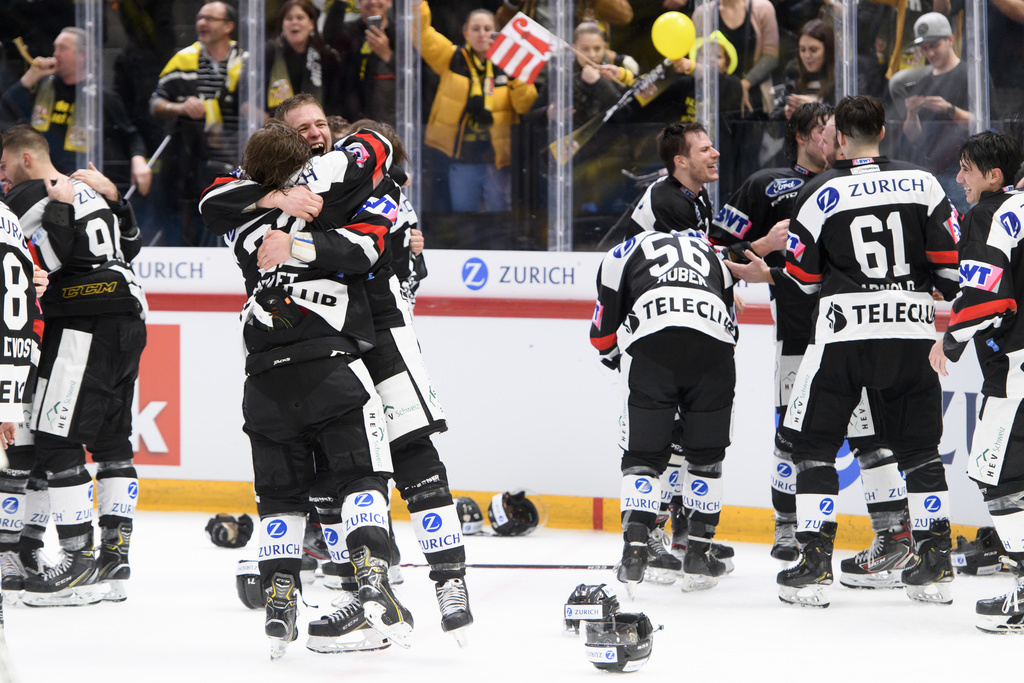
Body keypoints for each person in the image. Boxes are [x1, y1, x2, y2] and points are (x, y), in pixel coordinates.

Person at [725, 95, 960, 608]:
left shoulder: (819, 191)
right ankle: (936, 557)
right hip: (912, 332)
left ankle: (813, 561)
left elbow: (804, 280)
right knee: (919, 449)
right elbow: (949, 270)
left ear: (840, 138)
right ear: (882, 128)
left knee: (811, 447)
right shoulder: (924, 184)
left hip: (844, 335)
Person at [200, 120, 414, 657]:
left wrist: (271, 196)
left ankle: (279, 606)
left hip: (264, 375)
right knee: (361, 478)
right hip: (329, 361)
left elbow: (212, 199)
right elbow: (364, 246)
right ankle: (374, 584)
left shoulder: (241, 218)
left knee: (279, 498)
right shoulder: (324, 200)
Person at [1, 125, 147, 607]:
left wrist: (55, 212)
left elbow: (44, 259)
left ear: (25, 160)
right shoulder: (89, 187)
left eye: (3, 168)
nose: (1, 181)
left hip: (85, 323)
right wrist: (119, 199)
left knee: (54, 437)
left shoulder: (33, 195)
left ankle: (78, 562)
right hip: (128, 320)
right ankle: (114, 557)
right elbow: (131, 246)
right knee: (111, 442)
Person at [591, 228, 738, 592]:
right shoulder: (711, 251)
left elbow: (601, 336)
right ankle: (698, 553)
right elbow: (733, 327)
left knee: (642, 455)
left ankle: (636, 548)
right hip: (714, 348)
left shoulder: (622, 250)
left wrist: (617, 357)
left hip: (654, 346)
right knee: (706, 456)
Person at [931, 131, 1024, 632]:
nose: (960, 176)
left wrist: (948, 341)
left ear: (995, 177)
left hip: (1016, 371)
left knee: (1000, 480)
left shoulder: (989, 214)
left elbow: (988, 298)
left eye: (967, 168)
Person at [0, 26, 152, 197]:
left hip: (79, 185)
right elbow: (6, 108)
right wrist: (31, 76)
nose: (55, 53)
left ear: (83, 55)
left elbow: (131, 135)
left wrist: (139, 160)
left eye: (62, 48)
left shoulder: (102, 97)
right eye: (55, 47)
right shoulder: (42, 86)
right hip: (37, 181)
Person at [416, 2, 538, 212]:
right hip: (462, 159)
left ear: (497, 33)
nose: (482, 34)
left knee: (499, 217)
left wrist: (516, 75)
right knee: (465, 217)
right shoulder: (451, 58)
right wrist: (416, 5)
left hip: (498, 162)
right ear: (465, 33)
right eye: (475, 29)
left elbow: (526, 105)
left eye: (488, 29)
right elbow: (423, 34)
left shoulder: (510, 64)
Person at [150, 1, 243, 246]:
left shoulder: (247, 60)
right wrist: (179, 107)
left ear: (228, 26)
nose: (202, 23)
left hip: (239, 156)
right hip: (193, 163)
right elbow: (155, 103)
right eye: (200, 18)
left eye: (210, 18)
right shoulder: (182, 60)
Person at [896, 12, 972, 213]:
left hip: (961, 171)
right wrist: (911, 113)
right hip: (928, 171)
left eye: (934, 46)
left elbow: (983, 122)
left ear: (950, 39)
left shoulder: (969, 75)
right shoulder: (922, 81)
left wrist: (950, 109)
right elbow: (914, 136)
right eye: (925, 49)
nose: (930, 54)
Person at [627, 121, 719, 237]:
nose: (716, 153)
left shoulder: (698, 192)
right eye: (705, 150)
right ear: (681, 161)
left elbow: (708, 248)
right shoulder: (669, 204)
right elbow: (700, 253)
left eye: (712, 147)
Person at [325, 0, 398, 126]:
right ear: (358, 3)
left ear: (390, 2)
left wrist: (387, 55)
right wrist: (340, 3)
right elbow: (330, 38)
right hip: (351, 119)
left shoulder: (400, 35)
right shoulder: (349, 31)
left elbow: (413, 77)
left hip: (389, 121)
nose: (373, 2)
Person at [265, 0, 341, 118]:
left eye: (300, 18)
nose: (294, 22)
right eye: (289, 18)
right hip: (277, 128)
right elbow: (246, 100)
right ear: (282, 24)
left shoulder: (326, 57)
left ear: (311, 23)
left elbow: (336, 102)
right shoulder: (269, 53)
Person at [772, 19, 835, 121]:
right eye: (802, 50)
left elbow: (846, 121)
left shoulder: (842, 80)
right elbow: (773, 129)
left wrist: (815, 109)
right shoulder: (793, 74)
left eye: (813, 50)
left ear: (827, 50)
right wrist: (786, 112)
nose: (807, 56)